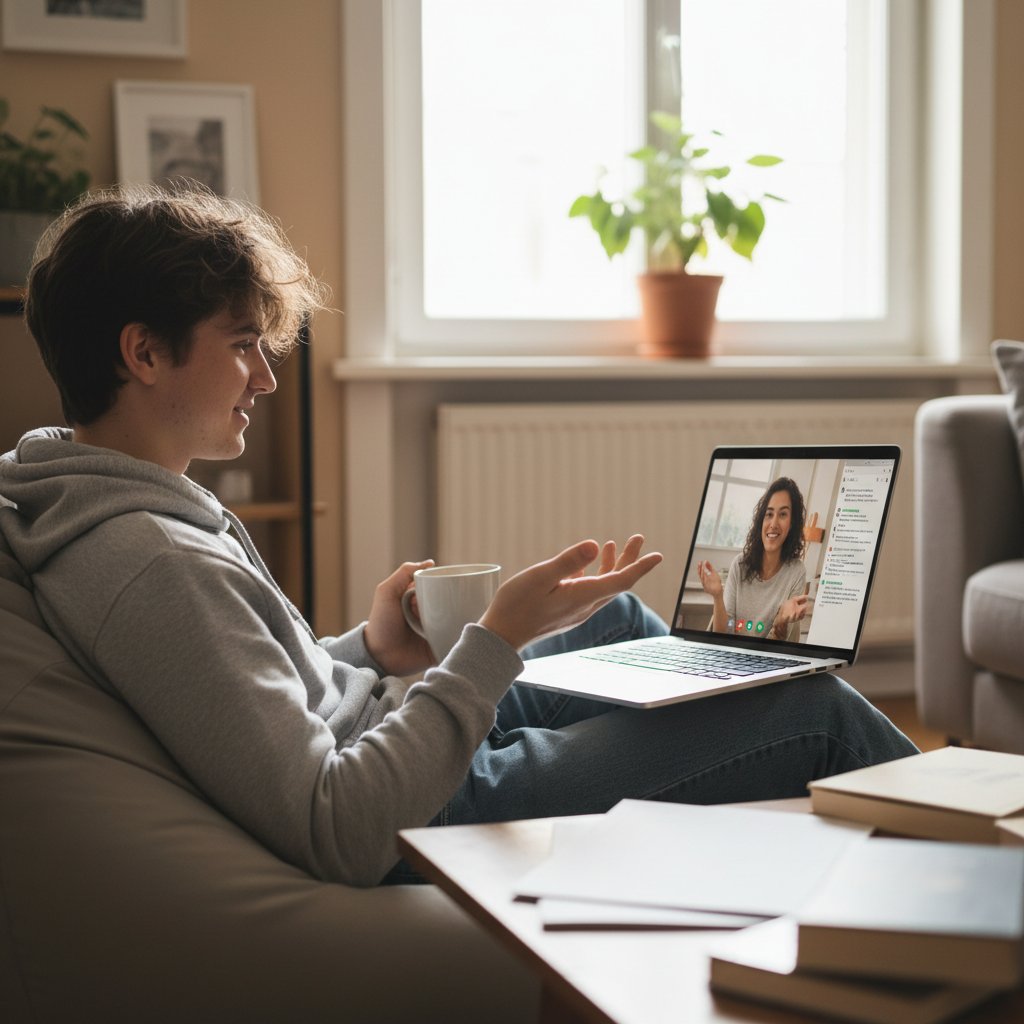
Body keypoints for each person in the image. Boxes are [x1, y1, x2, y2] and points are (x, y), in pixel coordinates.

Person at [0, 183, 917, 888]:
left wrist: (372, 648)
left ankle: (746, 802)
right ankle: (982, 869)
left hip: (392, 733)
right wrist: (492, 644)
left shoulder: (119, 503)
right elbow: (339, 823)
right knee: (812, 711)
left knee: (623, 621)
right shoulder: (147, 562)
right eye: (242, 344)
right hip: (428, 802)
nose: (267, 379)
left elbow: (246, 693)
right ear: (145, 352)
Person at [697, 476, 810, 642]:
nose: (773, 523)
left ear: (792, 524)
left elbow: (777, 648)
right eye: (769, 514)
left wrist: (780, 622)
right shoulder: (739, 565)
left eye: (783, 514)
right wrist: (717, 596)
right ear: (761, 520)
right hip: (731, 659)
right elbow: (722, 636)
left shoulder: (796, 572)